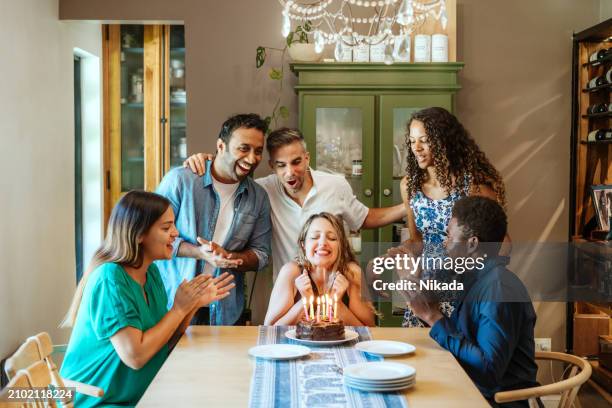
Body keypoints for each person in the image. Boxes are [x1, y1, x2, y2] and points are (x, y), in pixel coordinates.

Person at [60, 191, 235, 407]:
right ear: (139, 233)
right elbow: (136, 357)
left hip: (142, 396)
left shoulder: (151, 273)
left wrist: (192, 304)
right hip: (99, 402)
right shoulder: (110, 278)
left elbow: (164, 341)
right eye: (166, 227)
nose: (175, 233)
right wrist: (179, 309)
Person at [184, 127, 405, 280]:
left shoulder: (335, 185)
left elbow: (365, 218)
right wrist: (206, 160)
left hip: (334, 289)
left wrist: (410, 207)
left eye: (296, 162)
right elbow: (226, 174)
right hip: (288, 291)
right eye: (281, 165)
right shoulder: (262, 191)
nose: (290, 172)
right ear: (271, 165)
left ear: (307, 158)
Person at [408, 196, 537, 407]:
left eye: (449, 236)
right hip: (468, 388)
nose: (445, 243)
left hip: (492, 401)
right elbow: (465, 339)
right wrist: (426, 307)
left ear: (472, 243)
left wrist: (433, 316)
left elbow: (488, 369)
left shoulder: (498, 289)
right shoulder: (474, 279)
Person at [155, 113, 272, 325]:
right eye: (244, 148)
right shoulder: (181, 181)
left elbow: (261, 255)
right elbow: (152, 235)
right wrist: (200, 253)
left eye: (258, 151)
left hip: (226, 312)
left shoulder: (258, 197)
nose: (252, 158)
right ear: (220, 146)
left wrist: (232, 256)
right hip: (173, 305)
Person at [399, 106, 508, 327]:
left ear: (443, 142)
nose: (416, 148)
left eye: (424, 140)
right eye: (412, 141)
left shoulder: (473, 187)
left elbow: (503, 244)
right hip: (428, 290)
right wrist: (407, 267)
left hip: (465, 288)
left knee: (462, 354)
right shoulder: (409, 185)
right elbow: (416, 240)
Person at [264, 212, 375, 326]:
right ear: (304, 245)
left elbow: (369, 330)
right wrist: (304, 302)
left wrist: (337, 304)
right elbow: (270, 328)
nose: (323, 243)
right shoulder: (291, 272)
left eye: (332, 238)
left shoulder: (352, 273)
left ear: (341, 245)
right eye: (314, 237)